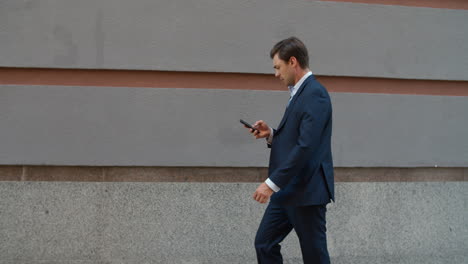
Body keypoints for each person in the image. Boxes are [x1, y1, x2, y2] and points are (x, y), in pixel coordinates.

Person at [245, 37, 334, 264]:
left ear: (292, 61)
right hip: (287, 191)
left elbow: (306, 147)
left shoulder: (315, 93)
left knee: (315, 257)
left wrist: (270, 184)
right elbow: (298, 138)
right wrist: (272, 134)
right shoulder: (299, 92)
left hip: (306, 191)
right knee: (264, 244)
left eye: (278, 67)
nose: (276, 74)